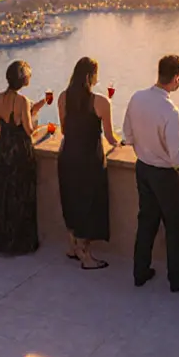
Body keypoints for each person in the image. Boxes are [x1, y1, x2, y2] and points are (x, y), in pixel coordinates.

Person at [122, 55, 179, 290]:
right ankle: (177, 278)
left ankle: (140, 272)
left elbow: (128, 136)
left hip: (143, 169)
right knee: (176, 228)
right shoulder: (170, 111)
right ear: (176, 78)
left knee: (146, 223)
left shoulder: (136, 98)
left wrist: (147, 150)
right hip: (166, 177)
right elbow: (177, 158)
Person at [0, 60, 44, 255]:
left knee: (3, 192)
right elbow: (29, 129)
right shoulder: (22, 101)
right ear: (23, 79)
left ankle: (1, 234)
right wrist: (36, 121)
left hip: (4, 148)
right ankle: (19, 238)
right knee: (21, 193)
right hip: (20, 150)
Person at [57, 57, 118, 270]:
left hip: (67, 155)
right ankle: (86, 256)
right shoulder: (101, 102)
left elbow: (64, 129)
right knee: (89, 204)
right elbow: (110, 137)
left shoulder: (63, 97)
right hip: (89, 159)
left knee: (71, 200)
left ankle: (72, 247)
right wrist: (123, 142)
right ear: (92, 76)